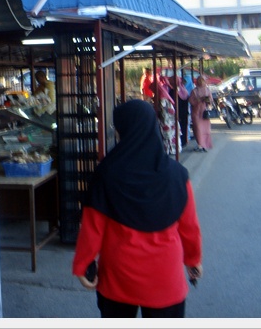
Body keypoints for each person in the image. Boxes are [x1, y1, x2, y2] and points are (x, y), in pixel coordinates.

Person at [72, 100, 202, 318]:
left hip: (118, 277)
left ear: (122, 131)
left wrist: (82, 263)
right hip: (165, 277)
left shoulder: (106, 174)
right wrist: (193, 260)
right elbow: (189, 227)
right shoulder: (177, 175)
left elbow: (92, 228)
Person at [151, 76, 180, 155]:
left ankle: (169, 150)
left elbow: (162, 108)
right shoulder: (164, 94)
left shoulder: (162, 97)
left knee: (167, 135)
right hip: (169, 118)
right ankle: (172, 149)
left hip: (167, 119)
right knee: (171, 135)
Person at [188, 75, 214, 152]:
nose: (201, 82)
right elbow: (191, 101)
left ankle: (205, 144)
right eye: (199, 80)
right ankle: (200, 144)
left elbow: (211, 101)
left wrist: (207, 100)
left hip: (204, 112)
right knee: (198, 128)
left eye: (202, 80)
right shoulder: (194, 91)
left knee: (205, 129)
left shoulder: (207, 90)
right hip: (196, 112)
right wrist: (199, 100)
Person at [168, 75, 190, 148]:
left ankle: (181, 142)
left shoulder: (174, 91)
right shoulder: (183, 90)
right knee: (183, 127)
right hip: (183, 112)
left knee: (180, 128)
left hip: (179, 112)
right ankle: (183, 141)